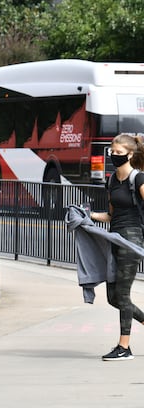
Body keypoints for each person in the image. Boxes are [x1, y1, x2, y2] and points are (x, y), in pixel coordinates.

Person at [90, 133, 144, 361]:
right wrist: (87, 216)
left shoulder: (138, 179)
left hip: (132, 240)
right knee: (113, 297)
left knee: (122, 294)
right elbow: (111, 215)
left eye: (119, 154)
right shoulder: (111, 180)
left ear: (130, 155)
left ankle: (124, 348)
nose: (114, 156)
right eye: (112, 153)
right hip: (115, 238)